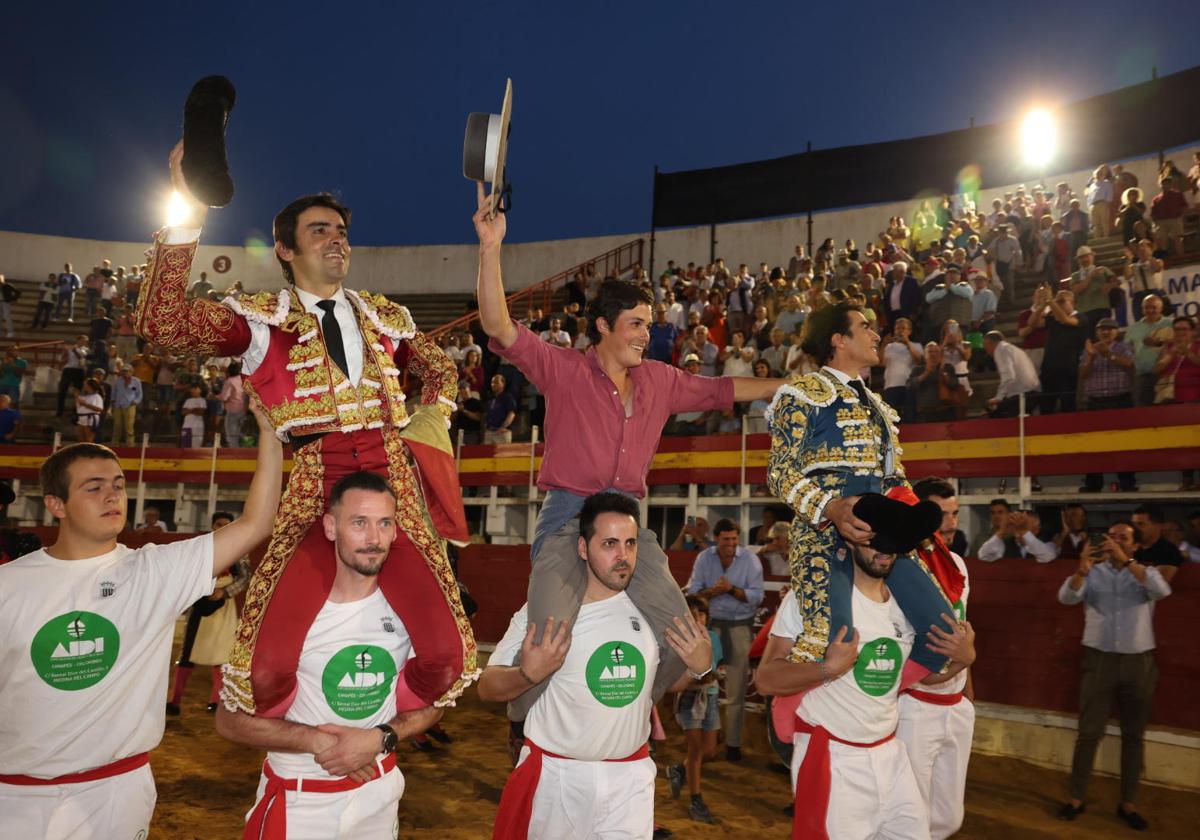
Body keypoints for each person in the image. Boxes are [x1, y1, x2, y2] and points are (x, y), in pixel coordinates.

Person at [135, 140, 477, 717]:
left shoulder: (383, 315)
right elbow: (162, 321)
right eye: (320, 230)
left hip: (392, 481)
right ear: (285, 249)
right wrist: (187, 208)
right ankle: (301, 738)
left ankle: (370, 717)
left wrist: (427, 422)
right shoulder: (262, 321)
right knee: (265, 670)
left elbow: (439, 369)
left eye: (341, 230)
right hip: (315, 484)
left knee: (447, 656)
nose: (337, 238)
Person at [472, 181, 781, 725]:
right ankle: (526, 724)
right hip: (568, 518)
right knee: (547, 638)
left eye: (649, 322)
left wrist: (792, 387)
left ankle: (635, 711)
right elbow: (498, 325)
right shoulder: (564, 369)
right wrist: (491, 246)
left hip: (628, 526)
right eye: (636, 323)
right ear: (602, 327)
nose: (648, 332)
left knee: (685, 637)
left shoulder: (661, 380)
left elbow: (723, 391)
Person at [0, 406, 282, 840]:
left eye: (117, 486)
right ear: (56, 504)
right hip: (13, 796)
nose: (113, 497)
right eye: (93, 488)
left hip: (117, 790)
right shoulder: (7, 586)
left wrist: (267, 429)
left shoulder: (153, 572)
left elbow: (256, 522)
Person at [217, 472, 445, 839]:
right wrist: (322, 743)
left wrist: (380, 738)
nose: (374, 538)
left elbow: (438, 702)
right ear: (330, 527)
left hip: (380, 794)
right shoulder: (286, 616)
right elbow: (229, 721)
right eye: (359, 523)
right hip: (300, 804)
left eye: (384, 523)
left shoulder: (411, 611)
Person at [480, 492, 714, 839]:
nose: (623, 556)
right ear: (582, 548)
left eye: (630, 543)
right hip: (557, 779)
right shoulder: (543, 612)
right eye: (609, 544)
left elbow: (658, 685)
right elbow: (487, 688)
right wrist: (528, 673)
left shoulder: (651, 615)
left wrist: (698, 669)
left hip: (630, 779)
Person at [766, 302, 957, 680]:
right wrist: (831, 509)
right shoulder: (802, 394)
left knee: (944, 635)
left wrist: (912, 518)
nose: (875, 336)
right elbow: (779, 473)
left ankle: (883, 697)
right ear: (838, 340)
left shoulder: (878, 406)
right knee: (828, 639)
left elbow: (894, 478)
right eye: (865, 328)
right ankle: (792, 725)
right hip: (824, 530)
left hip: (884, 529)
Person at [756, 534, 975, 840]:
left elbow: (911, 679)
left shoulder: (906, 606)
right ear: (850, 540)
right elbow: (765, 680)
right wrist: (827, 668)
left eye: (891, 538)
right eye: (874, 539)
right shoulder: (811, 598)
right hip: (833, 755)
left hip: (890, 751)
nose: (885, 548)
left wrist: (962, 661)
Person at [1056, 522, 1171, 831]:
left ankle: (1128, 802)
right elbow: (1066, 598)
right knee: (1088, 731)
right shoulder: (1093, 571)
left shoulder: (1145, 572)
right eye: (1112, 537)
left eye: (1123, 538)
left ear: (1134, 546)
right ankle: (1076, 797)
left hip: (1139, 660)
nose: (1114, 542)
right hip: (1099, 658)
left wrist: (1128, 563)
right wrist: (1081, 569)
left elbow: (1162, 591)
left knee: (1134, 734)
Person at [899, 477, 975, 840]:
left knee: (948, 817)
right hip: (915, 704)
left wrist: (966, 693)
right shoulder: (901, 564)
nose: (951, 522)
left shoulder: (957, 563)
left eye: (955, 514)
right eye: (942, 514)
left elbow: (963, 631)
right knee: (910, 814)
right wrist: (960, 663)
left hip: (954, 702)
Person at [685, 518, 765, 762]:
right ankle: (701, 739)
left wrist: (730, 590)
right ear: (716, 539)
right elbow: (693, 592)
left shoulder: (750, 559)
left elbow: (757, 597)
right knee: (700, 681)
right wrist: (714, 591)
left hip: (740, 625)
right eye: (726, 539)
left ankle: (733, 743)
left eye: (733, 539)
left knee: (737, 687)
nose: (730, 544)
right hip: (709, 626)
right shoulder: (704, 558)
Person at [166, 511, 250, 715]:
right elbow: (188, 574)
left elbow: (245, 577)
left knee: (220, 652)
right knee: (187, 651)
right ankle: (174, 701)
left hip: (224, 605)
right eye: (218, 524)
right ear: (212, 526)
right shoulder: (201, 547)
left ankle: (215, 700)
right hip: (200, 601)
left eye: (226, 524)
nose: (222, 528)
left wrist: (224, 592)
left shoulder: (239, 549)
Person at [666, 595, 723, 824]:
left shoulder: (713, 638)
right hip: (690, 696)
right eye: (691, 613)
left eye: (701, 613)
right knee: (697, 750)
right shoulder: (679, 641)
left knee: (709, 751)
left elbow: (714, 669)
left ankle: (679, 770)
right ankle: (696, 800)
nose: (697, 618)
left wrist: (706, 674)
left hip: (709, 694)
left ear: (707, 618)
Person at [1079, 318, 1136, 492]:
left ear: (1117, 331)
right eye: (1102, 329)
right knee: (1093, 445)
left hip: (1120, 399)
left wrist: (1108, 354)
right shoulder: (1090, 349)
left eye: (1110, 329)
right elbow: (1083, 374)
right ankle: (1093, 483)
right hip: (1095, 402)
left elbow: (1130, 365)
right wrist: (1091, 357)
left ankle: (1127, 482)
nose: (1105, 332)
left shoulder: (1124, 347)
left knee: (1123, 443)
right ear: (1097, 332)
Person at [1124, 294, 1171, 405]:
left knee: (1166, 412)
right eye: (1146, 307)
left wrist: (1159, 343)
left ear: (1161, 308)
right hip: (1142, 376)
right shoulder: (1133, 328)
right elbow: (1126, 350)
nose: (1150, 310)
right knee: (1143, 412)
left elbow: (1180, 343)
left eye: (1154, 307)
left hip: (1166, 376)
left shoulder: (1171, 324)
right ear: (1142, 309)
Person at [984, 331, 1040, 417]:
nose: (986, 350)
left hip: (1023, 395)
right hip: (1031, 392)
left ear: (989, 343)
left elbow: (1009, 376)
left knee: (993, 411)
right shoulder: (1012, 348)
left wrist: (999, 397)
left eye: (985, 346)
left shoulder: (1001, 350)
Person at [977, 509, 1055, 562]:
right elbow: (983, 555)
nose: (1018, 528)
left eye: (1025, 525)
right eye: (1016, 525)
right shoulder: (1004, 545)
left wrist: (1024, 531)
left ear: (1036, 529)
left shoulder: (1047, 544)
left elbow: (1048, 557)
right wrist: (1001, 531)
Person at [56, 335, 90, 418]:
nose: (83, 342)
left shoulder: (87, 350)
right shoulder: (69, 348)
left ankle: (76, 412)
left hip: (79, 370)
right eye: (82, 340)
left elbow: (81, 358)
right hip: (69, 369)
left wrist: (74, 350)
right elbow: (61, 359)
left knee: (78, 392)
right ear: (78, 340)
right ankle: (59, 412)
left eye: (85, 341)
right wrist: (64, 353)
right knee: (62, 390)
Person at [109, 366, 143, 447]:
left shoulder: (136, 381)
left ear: (131, 372)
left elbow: (139, 394)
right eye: (124, 371)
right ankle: (115, 442)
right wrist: (113, 401)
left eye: (127, 371)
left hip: (129, 405)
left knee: (129, 425)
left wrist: (135, 402)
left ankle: (130, 443)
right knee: (117, 425)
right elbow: (114, 391)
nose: (125, 373)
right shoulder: (118, 380)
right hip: (118, 404)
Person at [218, 361, 247, 445]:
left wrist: (215, 396)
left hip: (233, 410)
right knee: (240, 433)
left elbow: (224, 397)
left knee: (232, 436)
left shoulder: (229, 381)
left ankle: (236, 454)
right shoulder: (243, 379)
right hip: (243, 410)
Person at [484, 373, 517, 445]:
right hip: (489, 432)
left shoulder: (508, 398)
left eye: (496, 382)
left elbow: (511, 414)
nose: (493, 384)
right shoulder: (491, 399)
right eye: (492, 382)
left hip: (502, 433)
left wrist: (503, 427)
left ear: (503, 384)